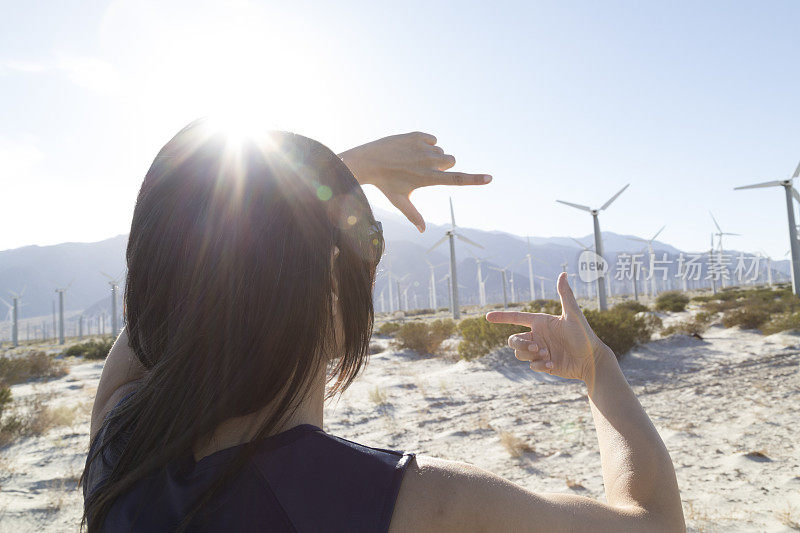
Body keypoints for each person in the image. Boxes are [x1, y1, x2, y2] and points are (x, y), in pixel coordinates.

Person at [82, 119, 685, 532]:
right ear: (326, 286)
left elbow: (189, 284)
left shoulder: (118, 448)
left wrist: (336, 182)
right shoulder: (420, 505)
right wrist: (598, 368)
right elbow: (654, 522)